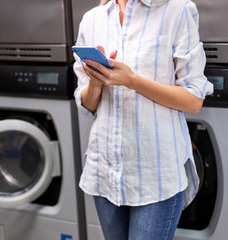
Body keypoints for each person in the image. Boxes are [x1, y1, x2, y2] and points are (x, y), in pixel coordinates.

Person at [73, 0, 213, 239]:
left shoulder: (177, 11)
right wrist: (96, 81)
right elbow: (88, 105)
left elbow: (193, 100)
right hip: (106, 169)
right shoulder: (92, 19)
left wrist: (132, 81)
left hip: (156, 173)